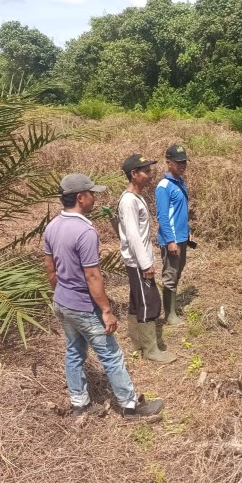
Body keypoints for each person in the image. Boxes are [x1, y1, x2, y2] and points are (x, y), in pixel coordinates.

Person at [43, 173, 165, 419]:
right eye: (91, 194)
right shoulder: (85, 231)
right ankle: (130, 406)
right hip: (83, 306)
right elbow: (93, 277)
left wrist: (61, 293)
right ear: (80, 197)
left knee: (74, 351)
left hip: (62, 303)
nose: (94, 199)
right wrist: (106, 311)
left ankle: (80, 404)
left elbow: (50, 269)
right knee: (110, 354)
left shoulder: (52, 226)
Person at [118, 154, 177, 363]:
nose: (150, 175)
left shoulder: (135, 198)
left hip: (137, 261)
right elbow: (133, 236)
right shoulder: (129, 202)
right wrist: (146, 264)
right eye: (146, 171)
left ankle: (137, 342)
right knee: (149, 303)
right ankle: (151, 349)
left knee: (137, 301)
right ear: (134, 174)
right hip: (138, 262)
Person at [155, 144, 192, 325]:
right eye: (178, 162)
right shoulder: (164, 186)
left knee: (177, 272)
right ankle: (169, 315)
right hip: (172, 240)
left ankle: (172, 309)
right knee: (170, 274)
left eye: (184, 162)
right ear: (168, 163)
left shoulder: (180, 182)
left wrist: (188, 232)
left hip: (182, 236)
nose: (182, 165)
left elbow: (180, 212)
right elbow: (163, 216)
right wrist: (170, 240)